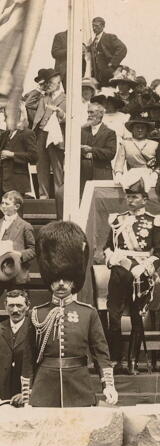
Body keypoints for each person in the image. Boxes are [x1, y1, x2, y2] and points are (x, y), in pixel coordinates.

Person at [30, 221, 118, 407]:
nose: (61, 283)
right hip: (44, 387)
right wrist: (25, 390)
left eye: (67, 279)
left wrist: (108, 385)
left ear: (74, 281)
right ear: (49, 280)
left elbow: (101, 353)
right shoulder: (37, 314)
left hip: (79, 385)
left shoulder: (88, 313)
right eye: (55, 279)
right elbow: (28, 357)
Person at [104, 179, 160, 375]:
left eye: (135, 197)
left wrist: (146, 267)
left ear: (144, 199)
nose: (130, 200)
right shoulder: (117, 220)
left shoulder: (153, 221)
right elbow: (107, 247)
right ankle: (116, 359)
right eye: (129, 197)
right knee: (113, 317)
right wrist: (112, 258)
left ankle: (132, 362)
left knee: (137, 319)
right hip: (119, 273)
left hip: (141, 274)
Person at [32, 69, 66, 200]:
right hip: (41, 134)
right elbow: (29, 103)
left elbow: (67, 118)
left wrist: (60, 113)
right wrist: (39, 88)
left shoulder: (66, 98)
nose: (48, 86)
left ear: (58, 83)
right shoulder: (44, 97)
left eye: (51, 83)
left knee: (57, 166)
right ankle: (43, 196)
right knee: (42, 166)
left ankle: (60, 197)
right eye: (47, 83)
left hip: (55, 135)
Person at [0, 290, 35, 407]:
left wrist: (28, 392)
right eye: (11, 306)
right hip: (2, 397)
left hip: (25, 397)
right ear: (5, 306)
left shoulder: (35, 330)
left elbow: (41, 364)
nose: (15, 310)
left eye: (19, 305)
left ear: (28, 306)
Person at [0, 190, 36, 294]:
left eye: (7, 203)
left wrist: (19, 254)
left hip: (16, 272)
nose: (3, 206)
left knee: (17, 302)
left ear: (16, 207)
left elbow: (33, 250)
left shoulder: (25, 226)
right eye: (2, 203)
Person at [80, 102, 117, 195]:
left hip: (102, 172)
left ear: (100, 114)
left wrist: (91, 149)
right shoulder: (82, 131)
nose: (89, 115)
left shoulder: (109, 133)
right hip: (83, 174)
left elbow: (110, 153)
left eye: (92, 112)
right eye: (88, 112)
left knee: (102, 201)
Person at [114, 116, 158, 188]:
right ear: (132, 129)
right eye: (137, 127)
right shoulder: (125, 143)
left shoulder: (154, 144)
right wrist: (118, 174)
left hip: (150, 175)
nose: (140, 130)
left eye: (143, 128)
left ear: (147, 130)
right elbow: (119, 162)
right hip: (132, 175)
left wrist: (156, 173)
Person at [0, 112, 37, 195]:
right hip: (2, 181)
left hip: (17, 182)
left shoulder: (27, 134)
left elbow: (33, 157)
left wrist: (12, 154)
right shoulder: (4, 135)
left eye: (7, 118)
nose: (4, 120)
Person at [87, 16, 127, 87]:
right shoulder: (92, 42)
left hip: (109, 74)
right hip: (97, 77)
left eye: (96, 26)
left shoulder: (109, 37)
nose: (94, 28)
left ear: (103, 26)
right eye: (93, 26)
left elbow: (122, 48)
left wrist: (112, 63)